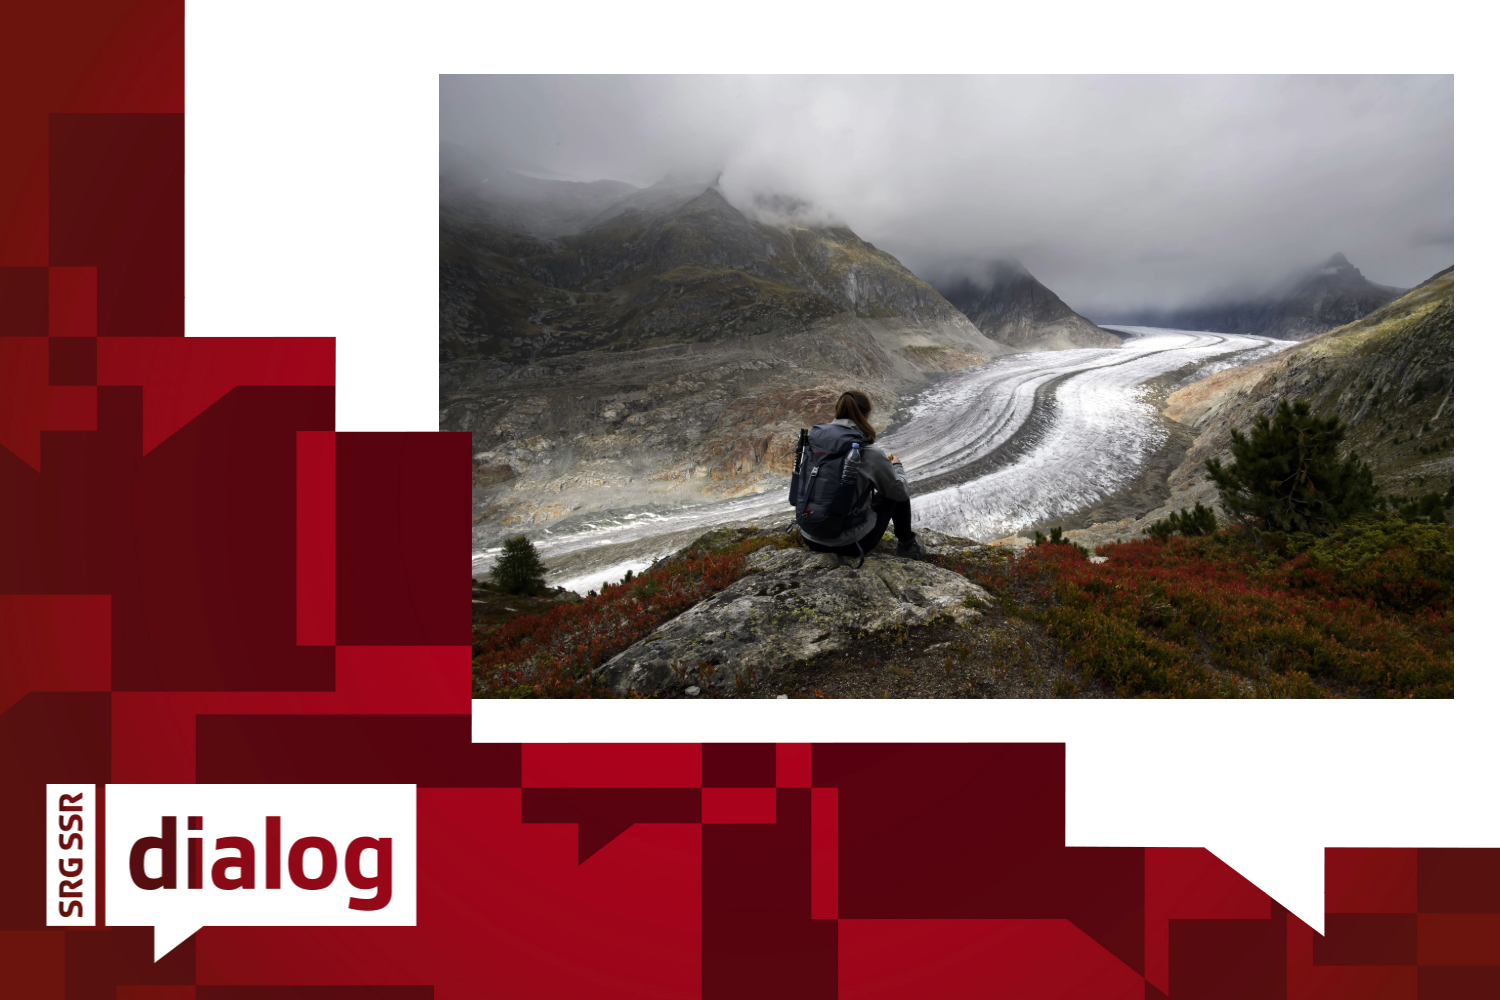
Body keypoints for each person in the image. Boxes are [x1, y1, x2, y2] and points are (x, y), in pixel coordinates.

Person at [793, 390, 925, 559]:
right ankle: (907, 546)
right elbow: (899, 492)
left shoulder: (815, 443)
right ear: (865, 415)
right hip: (850, 543)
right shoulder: (868, 452)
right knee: (896, 487)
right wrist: (896, 466)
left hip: (809, 537)